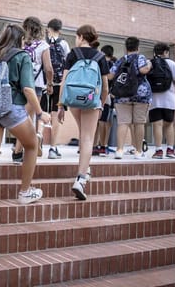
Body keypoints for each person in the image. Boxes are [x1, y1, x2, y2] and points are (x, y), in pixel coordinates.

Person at [0, 24, 51, 234]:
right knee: (32, 145)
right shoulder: (22, 56)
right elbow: (28, 89)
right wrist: (41, 113)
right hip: (11, 108)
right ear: (21, 40)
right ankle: (24, 192)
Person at [57, 24, 109, 200]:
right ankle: (81, 179)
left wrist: (60, 105)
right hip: (91, 99)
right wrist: (100, 104)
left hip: (73, 99)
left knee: (82, 133)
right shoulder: (101, 57)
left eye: (76, 37)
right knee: (87, 137)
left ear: (80, 37)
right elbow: (105, 87)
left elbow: (63, 82)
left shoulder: (72, 54)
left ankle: (85, 168)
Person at [12, 16, 53, 162]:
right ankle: (18, 151)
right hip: (35, 86)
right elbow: (48, 68)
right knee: (27, 118)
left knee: (19, 117)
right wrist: (50, 84)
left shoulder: (19, 43)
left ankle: (20, 148)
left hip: (18, 85)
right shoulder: (43, 45)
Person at [108, 36, 152, 160]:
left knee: (123, 123)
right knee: (139, 123)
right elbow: (143, 70)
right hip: (140, 95)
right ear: (138, 48)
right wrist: (149, 64)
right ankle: (138, 152)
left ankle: (119, 150)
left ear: (126, 48)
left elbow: (110, 76)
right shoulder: (141, 57)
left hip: (122, 95)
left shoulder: (121, 60)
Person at [149, 42, 175, 159]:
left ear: (155, 52)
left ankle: (158, 151)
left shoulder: (150, 63)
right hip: (169, 99)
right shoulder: (171, 63)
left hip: (154, 100)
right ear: (166, 52)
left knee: (157, 125)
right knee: (169, 125)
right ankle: (170, 150)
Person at [44, 18, 70, 159]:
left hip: (43, 83)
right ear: (59, 30)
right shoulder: (64, 44)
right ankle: (52, 149)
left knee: (40, 114)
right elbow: (68, 64)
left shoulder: (42, 43)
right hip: (59, 84)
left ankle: (37, 140)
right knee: (55, 115)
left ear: (48, 28)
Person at [93, 44, 116, 157]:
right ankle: (103, 146)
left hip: (96, 94)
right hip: (107, 96)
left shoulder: (99, 63)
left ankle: (95, 146)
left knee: (97, 122)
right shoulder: (113, 65)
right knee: (104, 121)